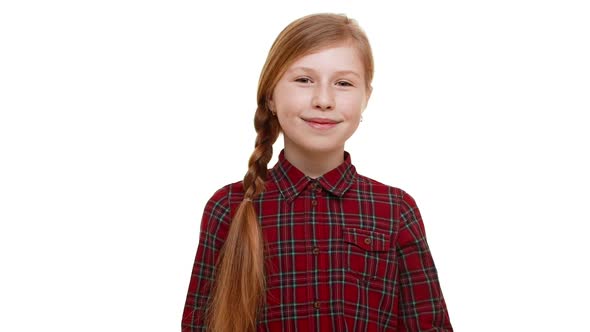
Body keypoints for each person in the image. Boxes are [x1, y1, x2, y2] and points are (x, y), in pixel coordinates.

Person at [182, 12, 452, 332]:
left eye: (343, 83)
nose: (323, 100)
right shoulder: (228, 207)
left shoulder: (395, 210)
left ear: (366, 97)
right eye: (304, 79)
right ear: (270, 95)